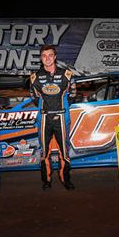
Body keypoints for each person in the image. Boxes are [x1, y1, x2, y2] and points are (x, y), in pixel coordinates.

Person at [29, 45, 77, 190]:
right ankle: (47, 180)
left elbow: (73, 95)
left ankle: (65, 179)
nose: (47, 58)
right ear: (41, 58)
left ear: (55, 57)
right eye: (44, 55)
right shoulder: (34, 77)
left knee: (64, 151)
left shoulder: (67, 75)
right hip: (44, 119)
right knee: (45, 152)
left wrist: (60, 108)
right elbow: (34, 97)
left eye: (50, 55)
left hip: (62, 117)